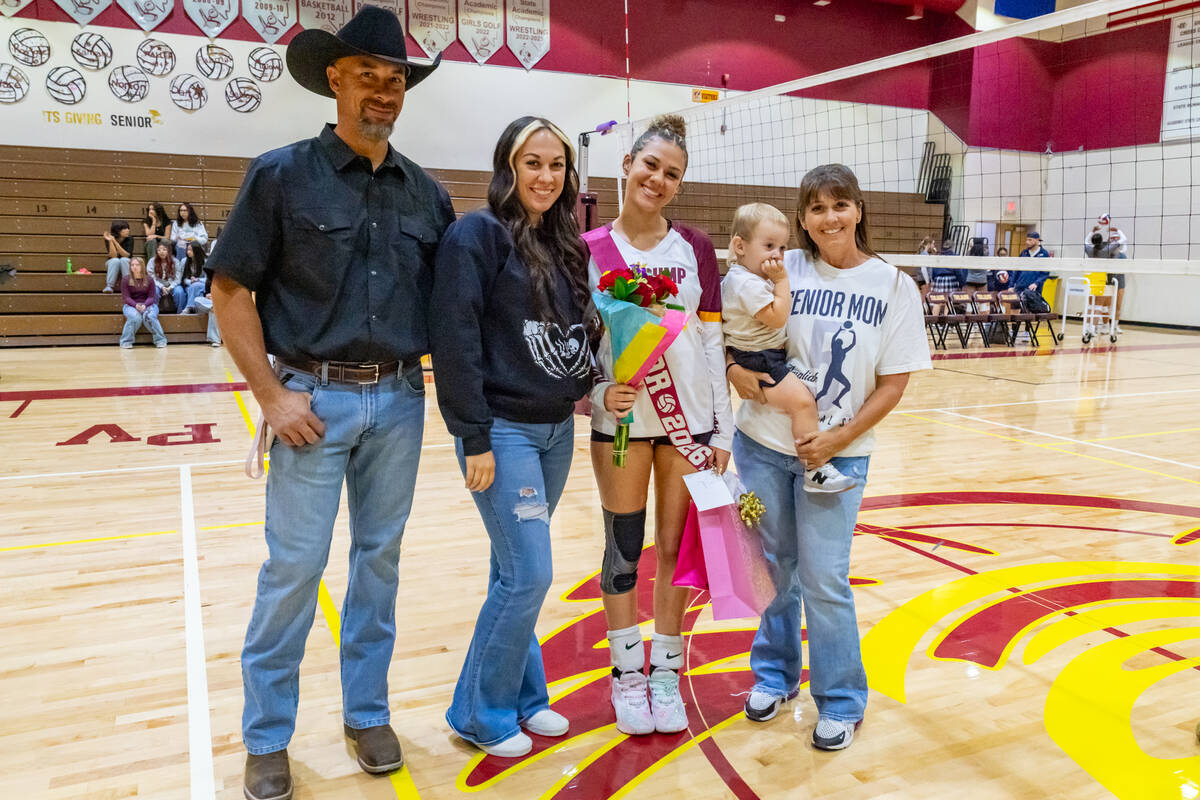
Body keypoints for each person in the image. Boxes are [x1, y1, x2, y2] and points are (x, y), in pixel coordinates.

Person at [208, 7, 453, 799]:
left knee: (379, 565)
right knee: (294, 569)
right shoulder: (280, 175)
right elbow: (230, 290)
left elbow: (453, 307)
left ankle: (367, 713)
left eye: (395, 80)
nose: (383, 91)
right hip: (310, 404)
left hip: (401, 400)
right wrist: (271, 397)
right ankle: (266, 735)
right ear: (335, 80)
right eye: (367, 76)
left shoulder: (427, 194)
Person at [727, 163, 931, 751]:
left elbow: (893, 384)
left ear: (859, 210)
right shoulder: (780, 263)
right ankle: (775, 675)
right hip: (763, 444)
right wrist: (737, 372)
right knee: (774, 568)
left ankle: (840, 699)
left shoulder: (893, 286)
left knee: (823, 578)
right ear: (802, 217)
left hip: (839, 456)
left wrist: (838, 439)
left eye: (839, 205)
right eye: (816, 208)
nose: (829, 217)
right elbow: (733, 333)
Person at [431, 116, 595, 758]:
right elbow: (454, 336)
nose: (546, 177)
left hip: (557, 430)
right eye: (533, 163)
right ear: (508, 166)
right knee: (529, 574)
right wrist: (472, 436)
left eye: (556, 165)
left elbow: (574, 335)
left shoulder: (566, 244)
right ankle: (478, 713)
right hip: (502, 431)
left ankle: (526, 698)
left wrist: (597, 383)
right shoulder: (477, 234)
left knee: (511, 571)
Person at [585, 114, 734, 737]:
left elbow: (711, 342)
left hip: (687, 424)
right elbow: (575, 343)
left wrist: (722, 431)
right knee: (623, 551)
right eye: (650, 165)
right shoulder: (588, 248)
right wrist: (597, 392)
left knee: (675, 553)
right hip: (620, 421)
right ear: (627, 165)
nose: (658, 179)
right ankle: (627, 676)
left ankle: (667, 676)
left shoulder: (694, 247)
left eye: (672, 174)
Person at [720, 202, 854, 493]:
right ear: (740, 246)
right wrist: (781, 281)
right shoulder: (746, 283)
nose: (778, 255)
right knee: (803, 404)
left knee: (802, 401)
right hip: (759, 359)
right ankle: (815, 469)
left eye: (782, 248)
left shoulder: (746, 278)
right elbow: (777, 317)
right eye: (769, 246)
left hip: (761, 355)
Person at [119, 256, 167, 349]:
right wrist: (135, 305)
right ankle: (126, 341)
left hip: (149, 304)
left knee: (150, 316)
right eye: (132, 265)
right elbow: (126, 298)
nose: (134, 267)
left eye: (137, 265)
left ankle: (160, 340)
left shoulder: (149, 279)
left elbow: (151, 297)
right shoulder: (126, 279)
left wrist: (145, 305)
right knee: (134, 317)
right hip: (130, 305)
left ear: (142, 266)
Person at [191, 266, 222, 347]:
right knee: (197, 299)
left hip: (222, 302)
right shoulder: (209, 280)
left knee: (213, 310)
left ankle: (215, 340)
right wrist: (208, 296)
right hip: (211, 303)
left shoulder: (226, 280)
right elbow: (206, 293)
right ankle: (212, 307)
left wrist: (216, 296)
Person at [102, 219, 133, 293]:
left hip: (127, 262)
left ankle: (127, 286)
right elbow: (113, 256)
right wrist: (110, 241)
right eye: (125, 228)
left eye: (128, 228)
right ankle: (109, 286)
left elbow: (126, 255)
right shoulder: (109, 239)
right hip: (112, 263)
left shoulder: (130, 239)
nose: (128, 230)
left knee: (124, 259)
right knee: (115, 260)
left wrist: (115, 242)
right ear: (117, 231)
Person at [149, 242, 180, 312]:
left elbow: (178, 279)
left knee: (179, 291)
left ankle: (180, 312)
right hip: (158, 285)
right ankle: (153, 311)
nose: (161, 252)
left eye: (164, 249)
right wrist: (161, 286)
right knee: (155, 290)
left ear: (169, 251)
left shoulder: (175, 261)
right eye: (159, 250)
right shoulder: (152, 261)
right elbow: (152, 278)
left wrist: (170, 287)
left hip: (173, 285)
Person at [176, 242, 208, 312]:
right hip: (189, 284)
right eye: (188, 250)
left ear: (196, 250)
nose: (188, 252)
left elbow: (208, 279)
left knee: (195, 286)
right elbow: (182, 279)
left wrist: (197, 280)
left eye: (190, 250)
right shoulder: (184, 261)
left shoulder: (205, 261)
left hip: (203, 284)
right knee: (193, 289)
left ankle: (189, 307)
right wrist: (190, 281)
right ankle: (197, 312)